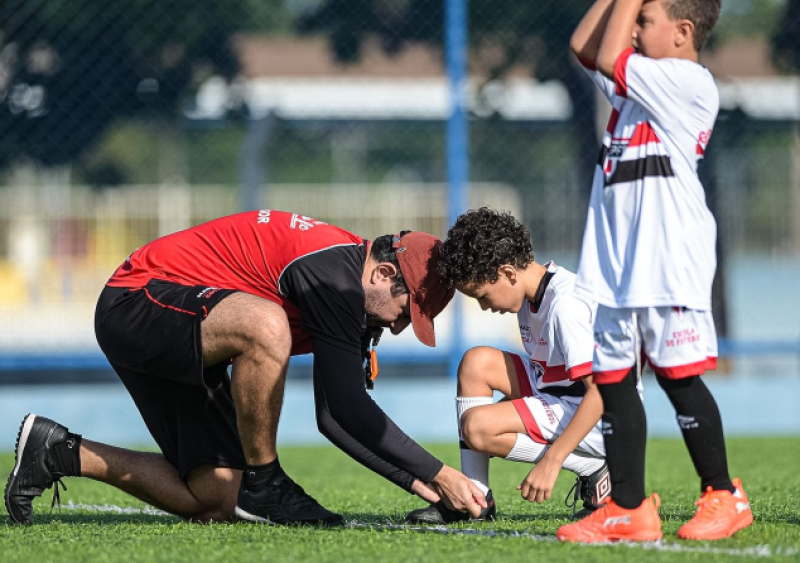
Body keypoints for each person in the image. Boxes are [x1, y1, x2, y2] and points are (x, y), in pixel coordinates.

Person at [5, 209, 487, 526]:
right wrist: (442, 471)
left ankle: (58, 451)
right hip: (136, 301)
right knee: (266, 323)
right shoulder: (333, 276)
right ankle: (265, 480)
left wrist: (425, 485)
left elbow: (335, 416)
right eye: (406, 312)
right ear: (383, 273)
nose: (400, 328)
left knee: (213, 497)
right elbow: (347, 403)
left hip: (195, 332)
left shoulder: (355, 296)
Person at [558, 0, 753, 543]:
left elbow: (611, 54)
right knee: (615, 378)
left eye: (646, 20)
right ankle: (627, 508)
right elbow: (585, 47)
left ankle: (723, 494)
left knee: (677, 374)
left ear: (683, 31)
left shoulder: (688, 81)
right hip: (620, 260)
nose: (635, 29)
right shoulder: (635, 89)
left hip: (668, 256)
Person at [406, 208, 612, 525]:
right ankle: (475, 497)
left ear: (508, 273)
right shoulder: (533, 292)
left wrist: (553, 461)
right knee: (477, 362)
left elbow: (602, 393)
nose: (485, 307)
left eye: (483, 296)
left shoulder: (566, 306)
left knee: (477, 427)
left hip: (602, 416)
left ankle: (594, 468)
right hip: (562, 392)